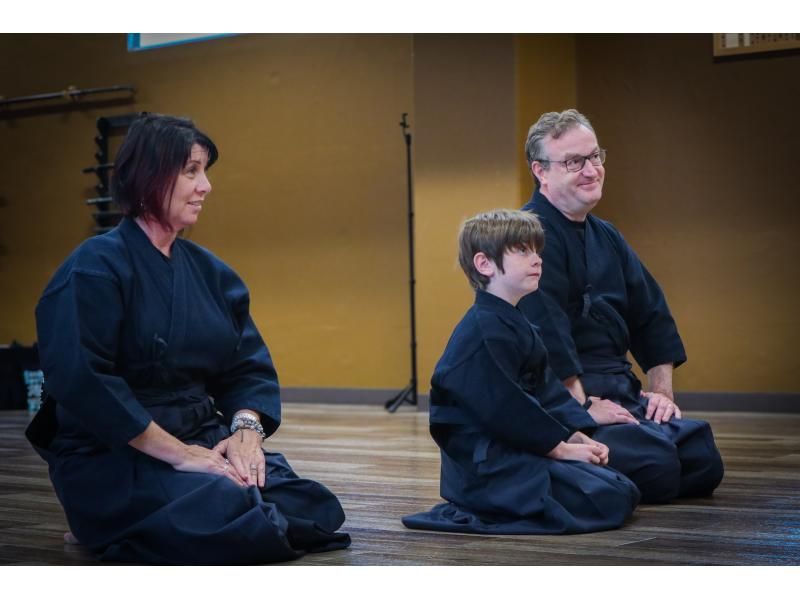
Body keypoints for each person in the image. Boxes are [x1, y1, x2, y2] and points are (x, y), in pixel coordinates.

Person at [25, 113, 350, 564]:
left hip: (202, 433)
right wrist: (178, 455)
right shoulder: (94, 267)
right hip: (116, 449)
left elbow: (246, 366)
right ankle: (99, 524)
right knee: (238, 513)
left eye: (205, 172)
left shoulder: (213, 274)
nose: (206, 187)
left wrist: (244, 434)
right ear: (149, 175)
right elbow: (83, 380)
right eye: (192, 171)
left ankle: (145, 520)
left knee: (310, 506)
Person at [519, 109, 724, 502]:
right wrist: (582, 407)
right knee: (657, 465)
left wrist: (661, 395)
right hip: (561, 402)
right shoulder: (528, 237)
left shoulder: (606, 235)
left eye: (595, 157)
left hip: (619, 391)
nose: (591, 170)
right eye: (574, 162)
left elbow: (651, 313)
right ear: (541, 171)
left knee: (702, 457)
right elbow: (546, 336)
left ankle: (633, 444)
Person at [402, 209, 640, 535]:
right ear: (485, 264)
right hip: (488, 467)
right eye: (523, 251)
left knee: (621, 483)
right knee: (607, 497)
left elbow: (547, 391)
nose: (537, 259)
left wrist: (573, 432)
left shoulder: (518, 323)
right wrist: (558, 448)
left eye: (537, 251)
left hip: (517, 447)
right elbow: (504, 407)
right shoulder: (483, 330)